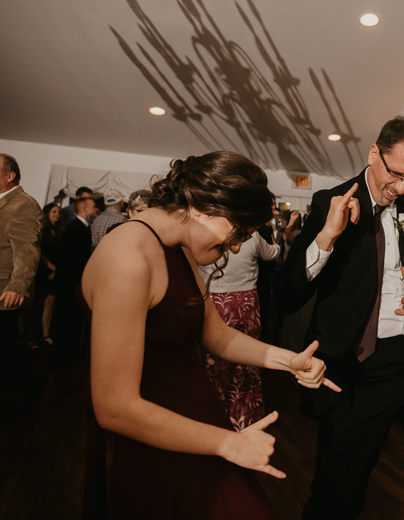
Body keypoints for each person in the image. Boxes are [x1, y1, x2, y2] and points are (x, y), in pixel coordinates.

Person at [80, 150, 339, 518]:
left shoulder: (175, 247)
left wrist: (290, 361)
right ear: (202, 206)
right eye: (239, 233)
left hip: (199, 417)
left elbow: (217, 336)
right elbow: (114, 407)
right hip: (155, 432)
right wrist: (227, 444)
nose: (235, 247)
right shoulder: (127, 256)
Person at [276, 116, 404, 520]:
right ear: (374, 153)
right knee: (338, 489)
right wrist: (326, 239)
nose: (402, 187)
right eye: (396, 173)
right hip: (358, 366)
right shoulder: (328, 203)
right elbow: (287, 294)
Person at [196, 229, 283, 430]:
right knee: (247, 365)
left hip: (213, 302)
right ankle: (246, 420)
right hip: (244, 303)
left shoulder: (205, 234)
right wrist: (278, 242)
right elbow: (272, 254)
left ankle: (212, 420)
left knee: (212, 364)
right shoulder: (251, 236)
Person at [0, 153, 47, 412]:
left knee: (4, 353)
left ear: (10, 176)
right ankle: (33, 382)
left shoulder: (24, 204)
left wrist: (18, 284)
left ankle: (33, 384)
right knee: (5, 353)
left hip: (4, 292)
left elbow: (26, 249)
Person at [53, 196, 98, 351]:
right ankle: (66, 348)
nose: (96, 209)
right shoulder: (76, 229)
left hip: (72, 281)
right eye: (93, 206)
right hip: (71, 282)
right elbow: (73, 260)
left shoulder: (80, 227)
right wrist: (77, 283)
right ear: (84, 208)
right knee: (69, 315)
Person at [30, 203, 63, 347]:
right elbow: (38, 252)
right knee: (35, 304)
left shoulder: (61, 230)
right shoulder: (40, 229)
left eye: (59, 212)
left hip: (55, 272)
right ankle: (29, 336)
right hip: (42, 270)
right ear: (47, 213)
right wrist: (52, 268)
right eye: (54, 211)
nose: (57, 214)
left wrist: (57, 270)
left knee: (50, 303)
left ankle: (46, 335)